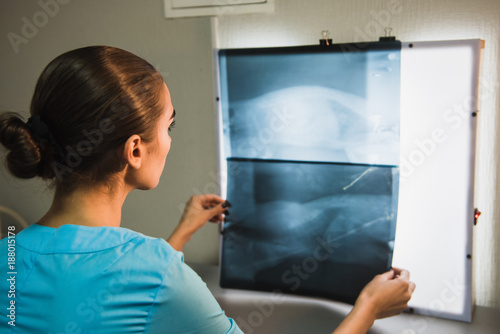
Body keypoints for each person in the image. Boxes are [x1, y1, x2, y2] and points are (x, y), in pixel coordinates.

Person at [0, 46, 414, 333]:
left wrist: (181, 233)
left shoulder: (9, 256)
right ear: (135, 150)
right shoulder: (157, 273)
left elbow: (107, 289)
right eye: (168, 126)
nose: (171, 140)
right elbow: (142, 284)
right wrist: (368, 308)